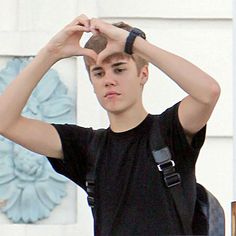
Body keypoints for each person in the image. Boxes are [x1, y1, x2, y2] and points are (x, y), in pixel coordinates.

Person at [0, 14, 220, 235]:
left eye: (119, 69)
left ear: (143, 74)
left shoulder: (169, 130)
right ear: (92, 83)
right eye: (98, 72)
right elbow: (5, 121)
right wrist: (51, 53)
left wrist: (134, 43)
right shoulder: (87, 147)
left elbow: (208, 93)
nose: (108, 79)